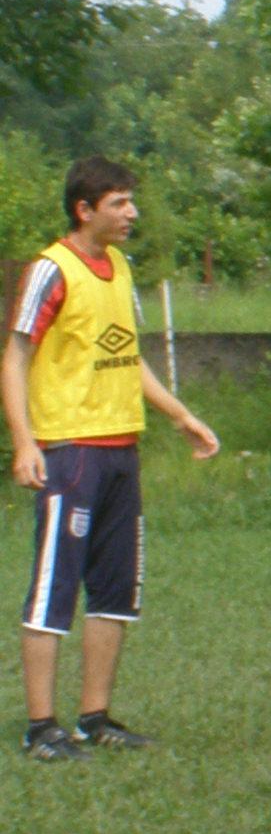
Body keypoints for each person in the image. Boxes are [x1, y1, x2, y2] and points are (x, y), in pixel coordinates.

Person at [7, 157, 220, 761]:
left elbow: (126, 356)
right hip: (70, 451)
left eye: (131, 202)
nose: (132, 214)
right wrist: (25, 442)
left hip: (121, 450)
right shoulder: (52, 269)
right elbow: (15, 358)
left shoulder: (119, 268)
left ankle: (94, 718)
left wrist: (178, 414)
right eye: (119, 203)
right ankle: (41, 727)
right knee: (53, 589)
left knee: (115, 590)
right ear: (85, 210)